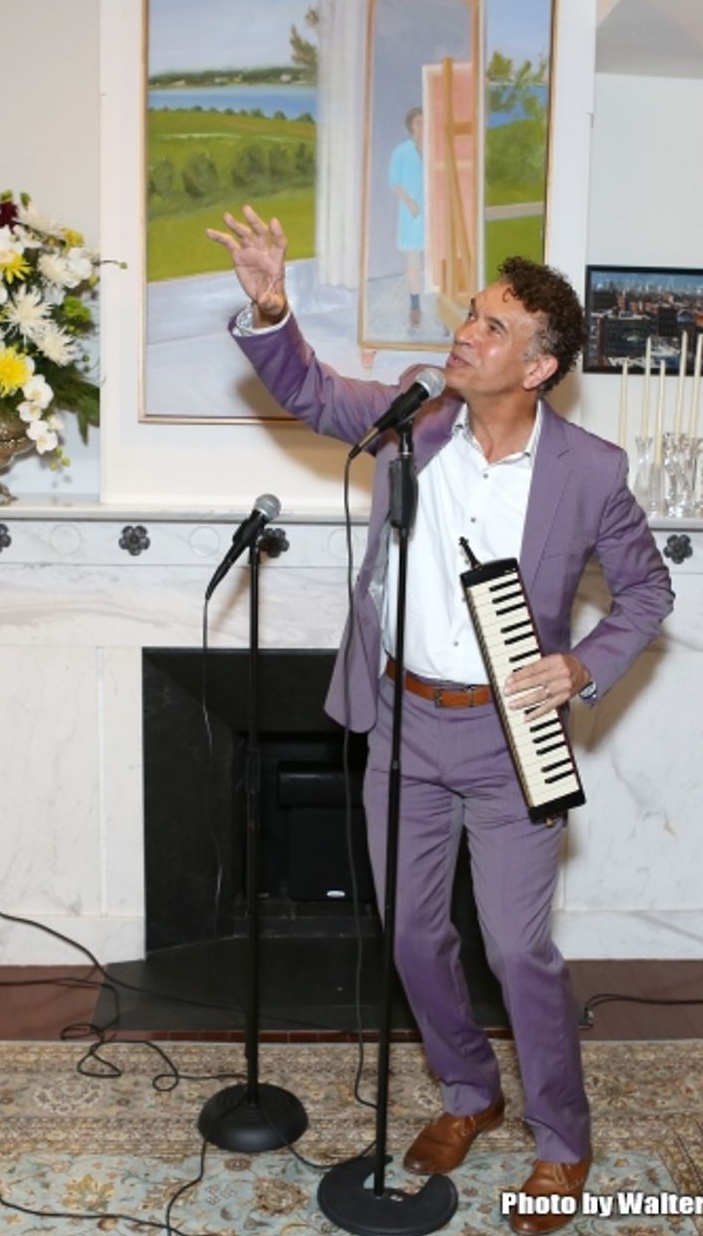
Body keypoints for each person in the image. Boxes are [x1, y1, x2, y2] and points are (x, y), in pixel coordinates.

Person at [206, 205, 673, 1235]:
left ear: (540, 365)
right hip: (404, 725)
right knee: (415, 933)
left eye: (494, 326)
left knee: (516, 948)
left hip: (513, 743)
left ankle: (563, 1137)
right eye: (471, 314)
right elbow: (307, 386)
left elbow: (645, 592)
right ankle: (469, 1092)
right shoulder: (410, 422)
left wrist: (583, 664)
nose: (467, 332)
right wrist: (270, 300)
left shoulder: (590, 470)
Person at [388, 107, 425, 329]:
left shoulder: (434, 149)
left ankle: (446, 306)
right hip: (412, 214)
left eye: (425, 122)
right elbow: (394, 182)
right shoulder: (401, 151)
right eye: (419, 122)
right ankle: (415, 306)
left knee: (440, 259)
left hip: (432, 212)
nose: (422, 126)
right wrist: (410, 202)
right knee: (413, 261)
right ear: (411, 126)